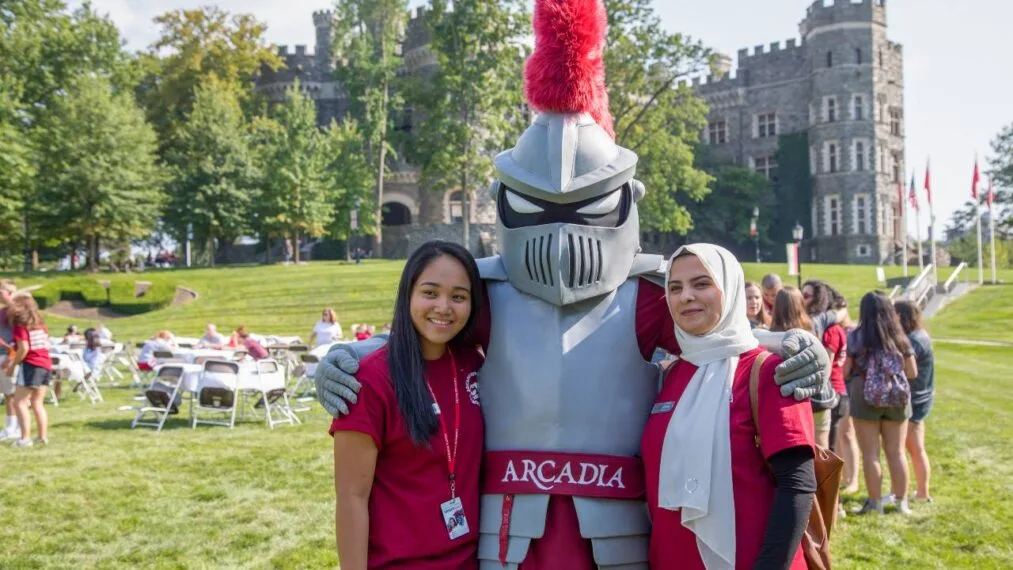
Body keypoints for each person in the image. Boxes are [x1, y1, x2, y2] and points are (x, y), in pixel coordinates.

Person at [315, 0, 830, 564]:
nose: (561, 233)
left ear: (624, 201)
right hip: (506, 525)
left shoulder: (644, 295)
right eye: (538, 208)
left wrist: (790, 346)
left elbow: (716, 343)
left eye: (584, 209)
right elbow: (428, 337)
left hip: (617, 529)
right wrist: (351, 356)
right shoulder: (487, 292)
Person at [642, 244, 815, 569]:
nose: (686, 296)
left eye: (702, 283)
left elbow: (797, 484)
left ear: (730, 287)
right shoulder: (673, 374)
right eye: (675, 288)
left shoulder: (767, 371)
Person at [330, 241, 485, 569]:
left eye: (458, 297)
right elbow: (351, 498)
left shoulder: (475, 364)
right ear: (408, 294)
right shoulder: (370, 380)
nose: (444, 307)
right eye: (430, 293)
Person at [844, 292, 918, 515]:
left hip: (864, 397)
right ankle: (901, 502)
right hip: (896, 398)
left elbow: (846, 370)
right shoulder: (900, 337)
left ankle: (875, 504)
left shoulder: (856, 337)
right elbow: (912, 371)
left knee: (871, 454)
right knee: (896, 453)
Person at [771, 287, 837, 448]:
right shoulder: (814, 325)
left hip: (791, 400)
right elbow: (837, 313)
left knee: (798, 452)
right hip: (819, 395)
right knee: (823, 452)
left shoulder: (772, 337)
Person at [895, 300, 934, 502]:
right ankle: (921, 492)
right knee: (914, 448)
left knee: (909, 449)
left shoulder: (914, 341)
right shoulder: (920, 336)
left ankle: (917, 493)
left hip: (916, 400)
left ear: (901, 316)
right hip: (922, 398)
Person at [4, 294, 53, 447]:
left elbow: (24, 348)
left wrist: (12, 367)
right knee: (37, 402)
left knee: (19, 402)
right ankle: (42, 437)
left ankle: (25, 439)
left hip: (31, 365)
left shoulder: (21, 326)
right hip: (46, 364)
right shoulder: (40, 324)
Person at [0, 280, 20, 440]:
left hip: (9, 357)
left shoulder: (16, 312)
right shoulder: (3, 311)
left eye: (1, 292)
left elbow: (18, 339)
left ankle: (14, 428)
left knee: (13, 394)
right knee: (8, 394)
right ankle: (10, 427)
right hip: (3, 355)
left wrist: (11, 356)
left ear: (11, 294)